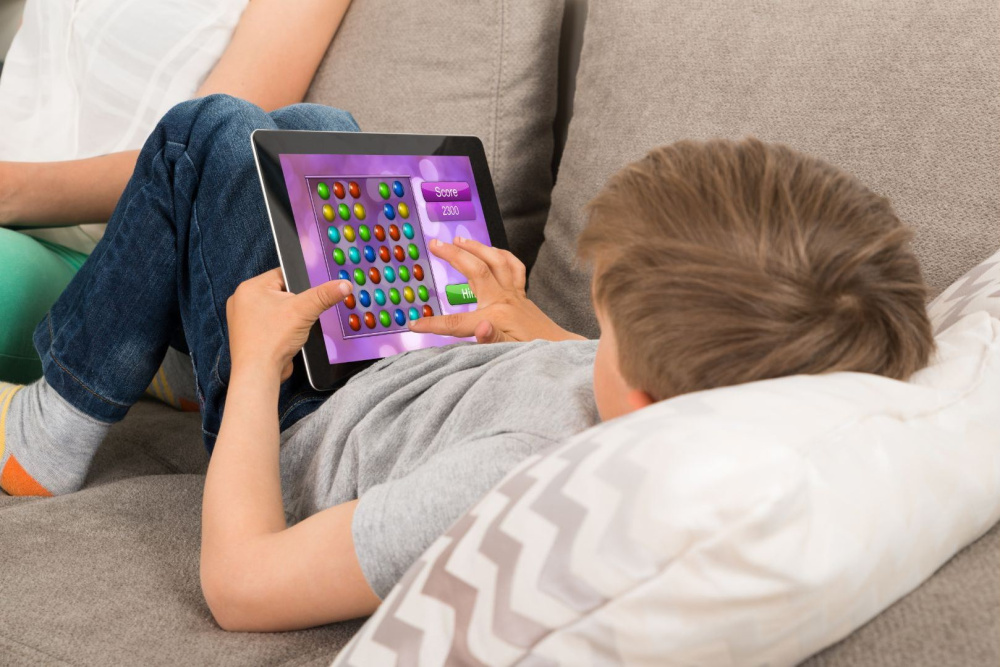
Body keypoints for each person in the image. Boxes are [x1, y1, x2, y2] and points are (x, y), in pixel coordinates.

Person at [0, 95, 935, 631]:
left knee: (202, 135)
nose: (595, 335)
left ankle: (49, 435)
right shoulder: (681, 407)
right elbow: (603, 379)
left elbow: (243, 584)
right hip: (415, 366)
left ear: (647, 386)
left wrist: (250, 370)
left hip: (295, 424)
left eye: (605, 322)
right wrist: (525, 322)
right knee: (316, 130)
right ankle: (176, 356)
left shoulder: (507, 483)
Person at [0, 0, 351, 384]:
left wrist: (8, 190)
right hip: (17, 218)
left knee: (305, 124)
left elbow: (210, 151)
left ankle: (144, 366)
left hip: (121, 261)